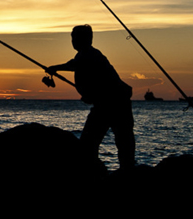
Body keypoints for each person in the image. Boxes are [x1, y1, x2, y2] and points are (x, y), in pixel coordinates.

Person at [46, 24, 135, 169]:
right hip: (107, 104)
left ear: (88, 39)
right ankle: (118, 172)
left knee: (95, 141)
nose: (73, 41)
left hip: (113, 104)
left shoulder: (90, 55)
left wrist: (55, 68)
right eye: (72, 38)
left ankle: (111, 174)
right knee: (115, 142)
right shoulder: (86, 55)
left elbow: (74, 65)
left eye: (76, 38)